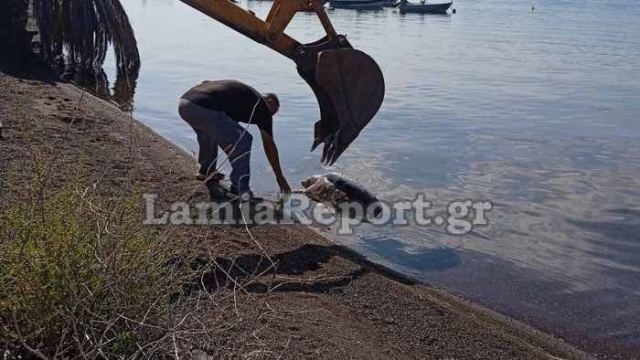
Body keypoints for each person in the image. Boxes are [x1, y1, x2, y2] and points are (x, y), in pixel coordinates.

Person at [178, 80, 291, 198]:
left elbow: (206, 82)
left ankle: (206, 171)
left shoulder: (244, 99)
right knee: (244, 140)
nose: (271, 116)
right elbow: (269, 146)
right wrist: (279, 177)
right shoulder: (261, 105)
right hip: (202, 108)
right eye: (274, 111)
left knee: (211, 132)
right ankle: (239, 188)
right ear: (270, 101)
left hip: (185, 103)